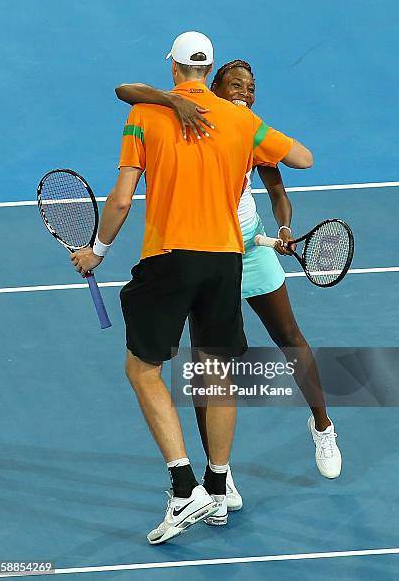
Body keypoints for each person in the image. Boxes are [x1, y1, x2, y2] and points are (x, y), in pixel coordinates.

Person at [71, 32, 309, 542]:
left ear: (173, 66)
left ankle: (184, 489)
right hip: (226, 260)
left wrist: (97, 250)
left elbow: (120, 198)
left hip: (170, 256)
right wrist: (252, 136)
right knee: (218, 371)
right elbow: (302, 159)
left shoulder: (145, 115)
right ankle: (219, 486)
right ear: (212, 68)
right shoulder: (242, 120)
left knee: (143, 370)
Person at [115, 59, 342, 510]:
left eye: (251, 86)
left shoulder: (245, 126)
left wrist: (282, 229)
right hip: (214, 256)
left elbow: (278, 191)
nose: (245, 91)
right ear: (213, 84)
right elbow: (127, 89)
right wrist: (172, 99)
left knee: (289, 338)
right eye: (235, 84)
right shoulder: (193, 116)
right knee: (208, 370)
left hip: (249, 253)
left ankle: (322, 426)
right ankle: (220, 478)